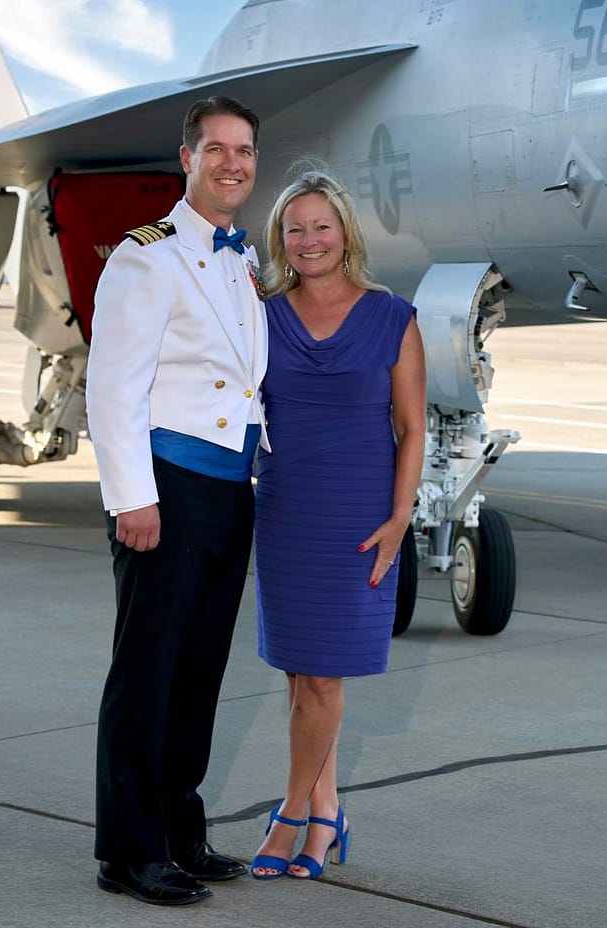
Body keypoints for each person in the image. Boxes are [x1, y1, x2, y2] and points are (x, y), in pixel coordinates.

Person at [86, 96, 269, 906]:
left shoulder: (244, 258)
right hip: (167, 489)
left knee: (198, 673)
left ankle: (179, 831)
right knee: (148, 672)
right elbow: (112, 387)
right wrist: (132, 497)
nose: (233, 163)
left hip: (230, 491)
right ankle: (130, 852)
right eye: (217, 149)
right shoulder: (146, 257)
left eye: (245, 150)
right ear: (187, 158)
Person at [250, 170, 426, 881]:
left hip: (358, 514)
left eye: (322, 225)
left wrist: (400, 517)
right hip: (286, 509)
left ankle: (291, 813)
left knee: (322, 677)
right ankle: (327, 813)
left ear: (346, 233)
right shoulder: (262, 315)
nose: (309, 239)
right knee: (301, 676)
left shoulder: (393, 316)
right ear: (281, 240)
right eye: (294, 228)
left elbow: (411, 427)